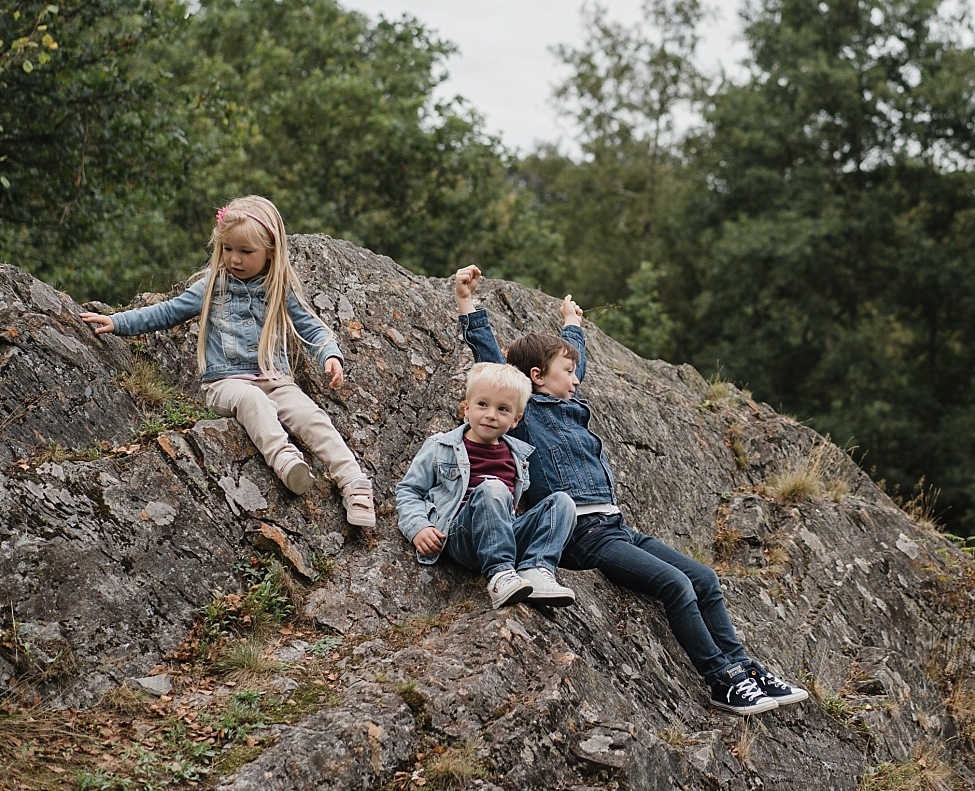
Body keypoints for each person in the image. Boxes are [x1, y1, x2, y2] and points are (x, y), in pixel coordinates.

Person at [452, 265, 809, 716]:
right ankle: (723, 681)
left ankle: (745, 667)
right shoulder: (527, 411)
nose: (577, 379)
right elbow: (491, 359)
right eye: (568, 372)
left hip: (616, 526)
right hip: (582, 535)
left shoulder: (569, 405)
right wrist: (468, 301)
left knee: (705, 580)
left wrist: (572, 325)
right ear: (537, 376)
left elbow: (572, 357)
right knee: (675, 586)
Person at [80, 195, 378, 528]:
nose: (234, 259)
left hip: (274, 378)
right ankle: (286, 461)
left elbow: (311, 326)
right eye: (227, 249)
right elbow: (167, 312)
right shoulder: (212, 286)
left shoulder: (278, 287)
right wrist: (118, 321)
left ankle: (354, 483)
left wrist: (330, 354)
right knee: (252, 401)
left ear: (270, 252)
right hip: (226, 383)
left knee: (311, 416)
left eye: (246, 252)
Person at [394, 361, 577, 608]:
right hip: (461, 536)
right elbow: (409, 491)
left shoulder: (518, 456)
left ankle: (536, 568)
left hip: (504, 534)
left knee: (562, 502)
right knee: (493, 488)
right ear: (466, 408)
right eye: (482, 405)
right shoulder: (441, 447)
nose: (491, 415)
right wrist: (418, 527)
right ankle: (499, 575)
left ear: (515, 419)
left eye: (503, 409)